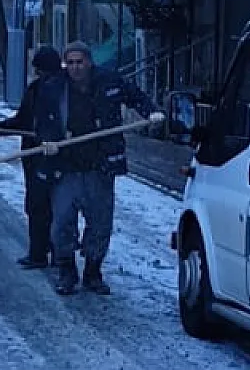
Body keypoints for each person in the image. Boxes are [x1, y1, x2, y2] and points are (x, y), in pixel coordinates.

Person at [48, 41, 165, 296]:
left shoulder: (109, 82)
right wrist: (48, 141)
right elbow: (42, 117)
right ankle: (66, 271)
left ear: (89, 62)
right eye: (71, 63)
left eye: (81, 62)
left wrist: (152, 113)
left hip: (100, 166)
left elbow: (136, 97)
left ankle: (93, 271)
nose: (76, 68)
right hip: (66, 165)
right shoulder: (56, 87)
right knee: (62, 223)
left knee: (100, 223)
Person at [0, 45, 64, 269]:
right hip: (34, 156)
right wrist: (0, 128)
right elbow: (23, 119)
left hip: (57, 156)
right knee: (37, 206)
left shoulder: (63, 90)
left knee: (56, 208)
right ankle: (39, 252)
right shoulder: (35, 89)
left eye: (41, 70)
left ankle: (58, 253)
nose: (40, 75)